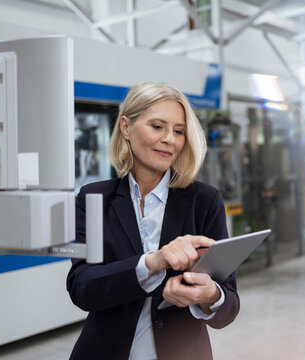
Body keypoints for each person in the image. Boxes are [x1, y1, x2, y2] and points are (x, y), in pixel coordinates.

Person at [67, 82, 240, 360]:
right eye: (157, 126)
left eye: (179, 131)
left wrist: (210, 295)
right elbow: (82, 287)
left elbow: (228, 306)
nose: (170, 139)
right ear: (126, 127)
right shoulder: (94, 198)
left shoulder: (204, 201)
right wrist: (150, 263)